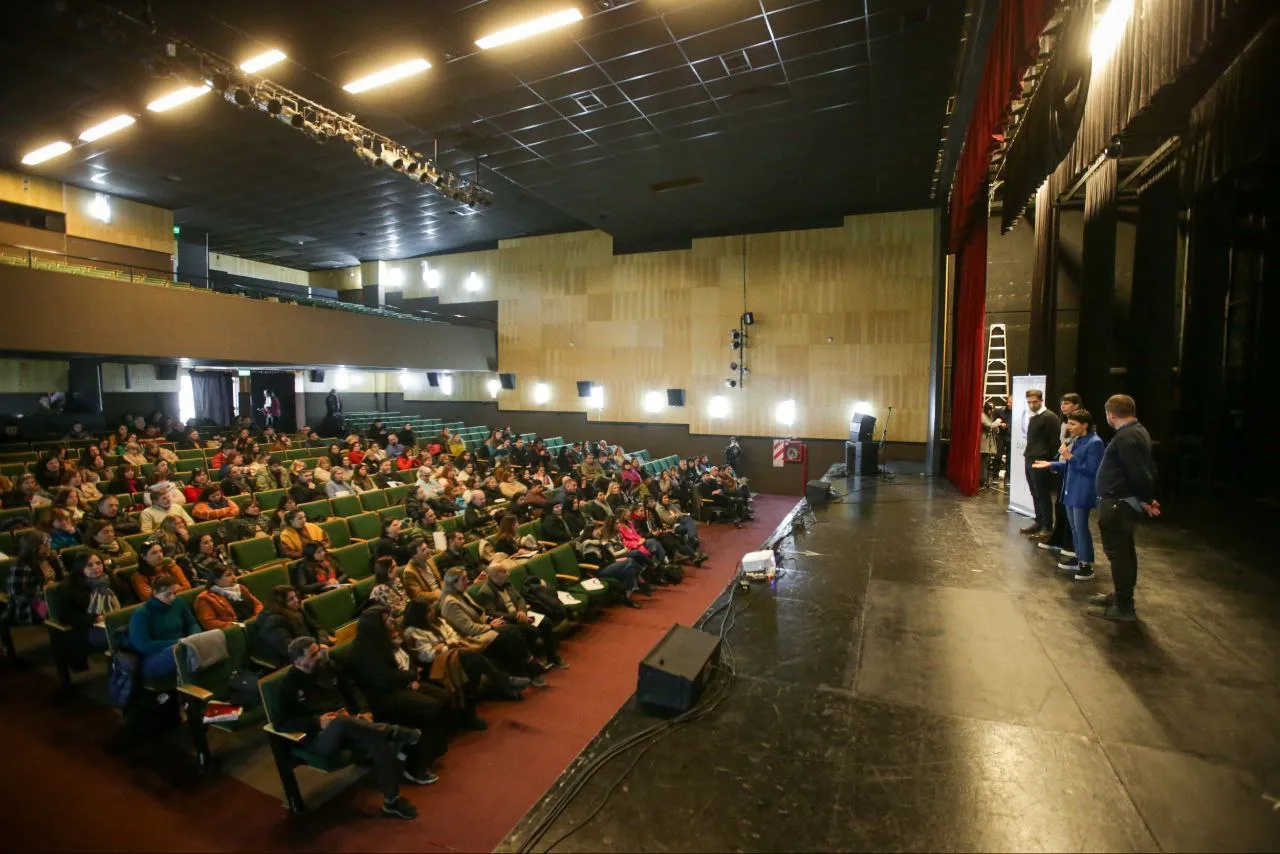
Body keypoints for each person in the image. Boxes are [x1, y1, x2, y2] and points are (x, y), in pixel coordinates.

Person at [276, 637, 421, 820]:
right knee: (342, 721)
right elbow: (281, 722)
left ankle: (392, 801)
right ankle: (393, 731)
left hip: (349, 724)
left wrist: (364, 711)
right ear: (298, 661)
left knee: (379, 741)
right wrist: (316, 722)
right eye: (313, 655)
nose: (319, 655)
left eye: (318, 650)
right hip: (320, 738)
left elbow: (352, 689)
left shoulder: (328, 667)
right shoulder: (289, 685)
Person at [1087, 395, 1159, 622]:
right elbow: (1146, 469)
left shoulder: (1126, 437)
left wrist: (1147, 498)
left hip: (1118, 505)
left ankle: (1123, 606)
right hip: (1122, 503)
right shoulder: (1137, 431)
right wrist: (1147, 498)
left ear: (1110, 414)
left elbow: (1139, 472)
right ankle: (1121, 596)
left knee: (1119, 555)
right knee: (1125, 553)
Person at [400, 599, 529, 704]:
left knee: (477, 653)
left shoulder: (438, 621)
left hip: (454, 651)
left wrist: (444, 645)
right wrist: (447, 645)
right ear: (420, 615)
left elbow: (454, 635)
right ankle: (506, 682)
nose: (432, 611)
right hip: (437, 664)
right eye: (428, 611)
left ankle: (504, 685)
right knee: (470, 656)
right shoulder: (412, 632)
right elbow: (426, 656)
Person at [439, 568, 546, 686]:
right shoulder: (450, 603)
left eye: (466, 577)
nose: (467, 581)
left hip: (483, 628)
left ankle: (525, 669)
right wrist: (490, 626)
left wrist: (490, 621)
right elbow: (469, 629)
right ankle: (531, 668)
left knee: (514, 629)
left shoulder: (461, 593)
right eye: (463, 579)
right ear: (453, 583)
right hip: (473, 638)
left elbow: (480, 613)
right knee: (511, 631)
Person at [1034, 409, 1104, 581]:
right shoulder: (1078, 440)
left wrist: (1069, 456)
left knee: (1081, 528)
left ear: (1084, 425)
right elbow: (1069, 464)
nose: (1069, 427)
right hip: (1070, 489)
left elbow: (1092, 470)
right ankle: (1079, 557)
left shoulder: (1095, 443)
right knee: (1074, 527)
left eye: (1073, 424)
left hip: (1082, 491)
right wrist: (1051, 464)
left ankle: (1086, 564)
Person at [473, 559, 567, 669]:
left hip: (520, 614)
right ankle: (533, 666)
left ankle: (552, 658)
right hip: (507, 621)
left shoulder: (506, 582)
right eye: (504, 571)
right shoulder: (485, 591)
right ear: (495, 576)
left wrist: (522, 611)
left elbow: (520, 598)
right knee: (531, 630)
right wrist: (516, 616)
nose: (508, 572)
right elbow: (492, 612)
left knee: (545, 622)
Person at [127, 574, 199, 680]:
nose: (172, 597)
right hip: (154, 656)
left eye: (175, 593)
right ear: (155, 593)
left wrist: (194, 638)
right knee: (184, 654)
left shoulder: (179, 602)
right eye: (167, 594)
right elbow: (143, 645)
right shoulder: (141, 613)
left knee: (211, 641)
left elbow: (192, 623)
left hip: (183, 645)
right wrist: (180, 642)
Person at [1038, 393, 1082, 554]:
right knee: (1060, 505)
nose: (1063, 406)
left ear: (1076, 405)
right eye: (1062, 403)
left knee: (1070, 510)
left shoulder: (1082, 430)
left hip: (1073, 469)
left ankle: (1071, 545)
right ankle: (1059, 538)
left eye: (1067, 403)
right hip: (1063, 466)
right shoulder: (1063, 424)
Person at [63, 552, 121, 666]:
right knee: (122, 637)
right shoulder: (73, 588)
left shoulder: (111, 581)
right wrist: (95, 618)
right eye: (89, 565)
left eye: (99, 563)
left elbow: (126, 601)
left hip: (114, 620)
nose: (96, 567)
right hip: (90, 627)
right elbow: (67, 616)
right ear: (81, 569)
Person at [250, 586, 333, 666]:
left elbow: (317, 628)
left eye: (295, 597)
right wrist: (317, 648)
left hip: (310, 652)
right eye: (291, 599)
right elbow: (290, 650)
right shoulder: (272, 621)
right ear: (280, 604)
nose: (296, 600)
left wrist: (322, 642)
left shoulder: (296, 610)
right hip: (292, 663)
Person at [1020, 388, 1061, 537]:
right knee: (1035, 492)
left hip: (1042, 460)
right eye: (1029, 402)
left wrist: (1052, 463)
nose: (1032, 405)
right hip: (1030, 458)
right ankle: (1039, 521)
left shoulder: (1050, 417)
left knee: (1042, 494)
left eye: (1035, 402)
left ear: (1041, 401)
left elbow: (1055, 442)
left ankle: (1047, 526)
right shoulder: (1034, 417)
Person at [4, 530, 66, 626]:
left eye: (49, 542)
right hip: (31, 605)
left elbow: (62, 579)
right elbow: (17, 595)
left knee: (77, 605)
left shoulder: (52, 558)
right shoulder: (21, 565)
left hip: (53, 597)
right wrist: (46, 592)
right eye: (45, 543)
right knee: (63, 613)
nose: (49, 545)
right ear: (33, 547)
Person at [194, 565, 263, 630]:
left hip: (254, 623)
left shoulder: (240, 587)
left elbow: (257, 605)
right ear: (216, 581)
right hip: (236, 630)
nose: (234, 577)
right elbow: (209, 623)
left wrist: (256, 619)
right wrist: (239, 626)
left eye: (233, 574)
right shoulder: (204, 598)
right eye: (228, 575)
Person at [402, 539, 444, 604]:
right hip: (430, 602)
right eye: (423, 550)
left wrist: (446, 589)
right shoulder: (409, 572)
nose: (428, 550)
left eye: (427, 547)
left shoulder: (430, 560)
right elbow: (418, 595)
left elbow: (439, 580)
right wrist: (438, 595)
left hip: (441, 594)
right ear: (414, 556)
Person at [980, 402, 1001, 488]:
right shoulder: (982, 416)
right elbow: (989, 426)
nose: (991, 411)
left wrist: (997, 428)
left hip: (989, 443)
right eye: (990, 409)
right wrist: (997, 422)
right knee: (984, 463)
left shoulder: (990, 416)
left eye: (992, 409)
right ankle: (982, 481)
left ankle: (986, 481)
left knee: (987, 463)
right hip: (984, 443)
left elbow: (992, 427)